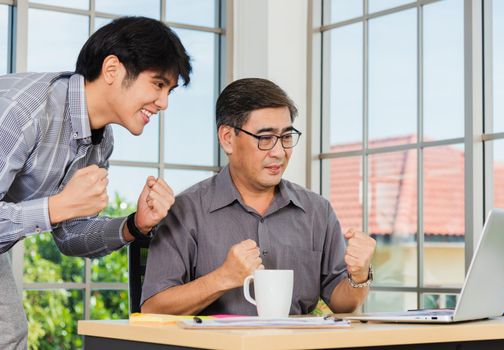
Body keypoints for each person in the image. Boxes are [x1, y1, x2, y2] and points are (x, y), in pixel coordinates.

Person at [0, 16, 191, 349]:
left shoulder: (100, 143)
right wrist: (55, 206)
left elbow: (71, 236)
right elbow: (57, 212)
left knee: (8, 334)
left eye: (169, 91)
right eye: (158, 84)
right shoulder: (23, 111)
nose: (164, 103)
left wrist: (134, 225)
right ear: (112, 69)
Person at [141, 78, 376, 316]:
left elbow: (343, 303)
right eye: (265, 138)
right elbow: (153, 308)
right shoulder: (185, 211)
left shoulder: (317, 211)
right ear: (227, 139)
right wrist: (222, 278)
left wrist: (359, 275)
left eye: (286, 137)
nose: (279, 152)